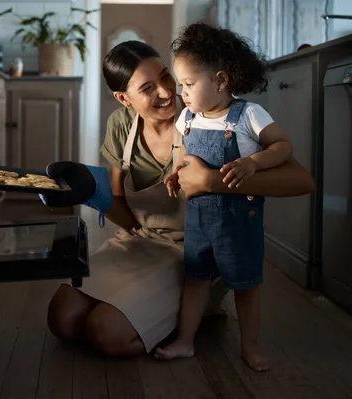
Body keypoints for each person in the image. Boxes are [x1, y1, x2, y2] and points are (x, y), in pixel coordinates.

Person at [46, 40, 315, 357]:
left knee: (106, 333)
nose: (166, 92)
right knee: (62, 318)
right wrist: (87, 194)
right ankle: (154, 309)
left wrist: (214, 181)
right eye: (147, 88)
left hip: (196, 251)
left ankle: (196, 312)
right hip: (139, 240)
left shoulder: (205, 115)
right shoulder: (121, 126)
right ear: (123, 99)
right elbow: (120, 205)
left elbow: (302, 180)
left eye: (166, 77)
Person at [156, 23, 295, 371]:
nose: (181, 93)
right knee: (196, 280)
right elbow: (183, 156)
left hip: (238, 220)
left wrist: (252, 162)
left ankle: (250, 347)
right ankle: (186, 341)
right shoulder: (187, 118)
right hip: (199, 219)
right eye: (181, 85)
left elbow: (283, 146)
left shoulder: (248, 115)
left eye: (188, 85)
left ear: (220, 80)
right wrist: (174, 174)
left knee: (245, 285)